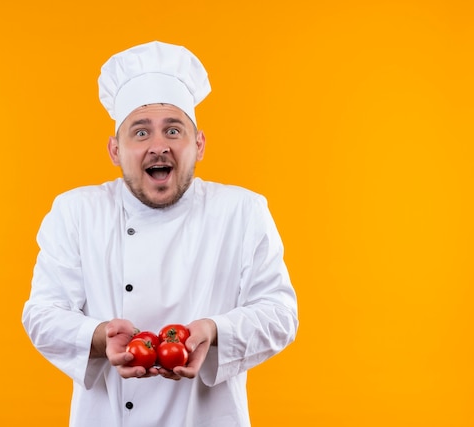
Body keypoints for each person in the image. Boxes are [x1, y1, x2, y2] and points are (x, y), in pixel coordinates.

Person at [22, 41, 298, 427]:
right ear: (114, 149)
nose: (158, 146)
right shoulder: (76, 212)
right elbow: (41, 314)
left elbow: (281, 314)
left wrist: (215, 331)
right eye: (140, 132)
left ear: (198, 144)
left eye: (173, 130)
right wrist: (99, 335)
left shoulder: (242, 211)